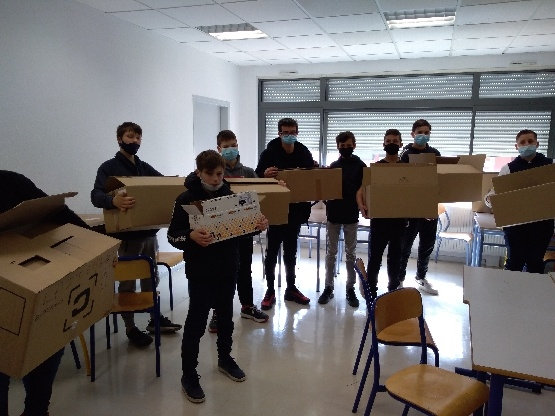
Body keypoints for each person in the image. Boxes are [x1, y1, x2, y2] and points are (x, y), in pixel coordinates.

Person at [167, 150, 268, 403]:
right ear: (199, 172)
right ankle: (189, 374)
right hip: (200, 271)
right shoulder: (186, 199)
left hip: (227, 267)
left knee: (225, 317)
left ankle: (225, 358)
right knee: (196, 321)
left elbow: (240, 232)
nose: (215, 179)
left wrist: (256, 227)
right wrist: (190, 236)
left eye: (219, 174)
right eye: (209, 174)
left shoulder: (231, 197)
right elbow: (172, 235)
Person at [0, 170, 89, 416]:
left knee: (44, 350)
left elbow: (59, 213)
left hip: (38, 291)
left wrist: (103, 248)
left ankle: (37, 410)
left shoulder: (11, 182)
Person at [91, 122, 181, 348]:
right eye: (130, 137)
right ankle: (130, 327)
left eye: (138, 138)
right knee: (128, 282)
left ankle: (153, 318)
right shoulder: (109, 168)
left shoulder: (142, 166)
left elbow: (163, 184)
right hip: (127, 238)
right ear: (119, 139)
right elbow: (95, 195)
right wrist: (112, 200)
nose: (135, 141)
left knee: (151, 278)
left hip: (149, 234)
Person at [206, 130, 269, 333]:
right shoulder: (214, 173)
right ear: (219, 149)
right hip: (220, 233)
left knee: (244, 269)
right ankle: (217, 312)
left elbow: (263, 194)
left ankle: (247, 306)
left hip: (244, 232)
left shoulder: (248, 172)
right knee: (219, 273)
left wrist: (275, 184)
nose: (230, 149)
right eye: (226, 147)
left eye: (233, 145)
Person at [255, 117, 315, 309]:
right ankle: (270, 290)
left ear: (297, 133)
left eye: (292, 132)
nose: (289, 136)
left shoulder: (304, 152)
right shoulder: (269, 152)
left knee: (291, 252)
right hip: (275, 209)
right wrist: (264, 175)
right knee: (272, 251)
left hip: (296, 209)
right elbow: (256, 176)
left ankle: (291, 288)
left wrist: (314, 169)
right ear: (279, 133)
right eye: (285, 133)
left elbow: (312, 176)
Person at [485, 129, 554, 273]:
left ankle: (532, 288)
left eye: (530, 141)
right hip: (515, 226)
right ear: (516, 146)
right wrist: (490, 199)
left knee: (535, 263)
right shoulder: (508, 169)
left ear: (537, 144)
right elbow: (495, 193)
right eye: (522, 142)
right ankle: (509, 288)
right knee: (514, 263)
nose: (526, 144)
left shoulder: (550, 166)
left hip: (542, 225)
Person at [356, 129, 407, 299]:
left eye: (395, 141)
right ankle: (371, 294)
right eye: (388, 141)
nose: (391, 144)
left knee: (395, 260)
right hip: (379, 221)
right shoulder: (376, 168)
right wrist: (361, 205)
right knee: (375, 259)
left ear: (400, 144)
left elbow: (416, 192)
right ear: (383, 144)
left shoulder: (407, 168)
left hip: (400, 221)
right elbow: (362, 190)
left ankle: (392, 293)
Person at [318, 131, 366, 307]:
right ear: (338, 147)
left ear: (354, 145)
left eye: (348, 145)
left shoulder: (361, 166)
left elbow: (365, 190)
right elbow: (326, 189)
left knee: (350, 254)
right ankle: (328, 287)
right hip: (334, 215)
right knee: (331, 253)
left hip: (351, 215)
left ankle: (350, 288)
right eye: (342, 146)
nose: (345, 148)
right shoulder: (334, 166)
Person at [397, 119, 440, 295]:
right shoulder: (405, 154)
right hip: (410, 208)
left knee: (427, 245)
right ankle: (399, 280)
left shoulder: (435, 154)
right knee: (405, 246)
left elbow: (439, 180)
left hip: (429, 207)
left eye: (426, 132)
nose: (423, 135)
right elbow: (400, 182)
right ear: (413, 134)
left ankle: (421, 277)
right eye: (420, 132)